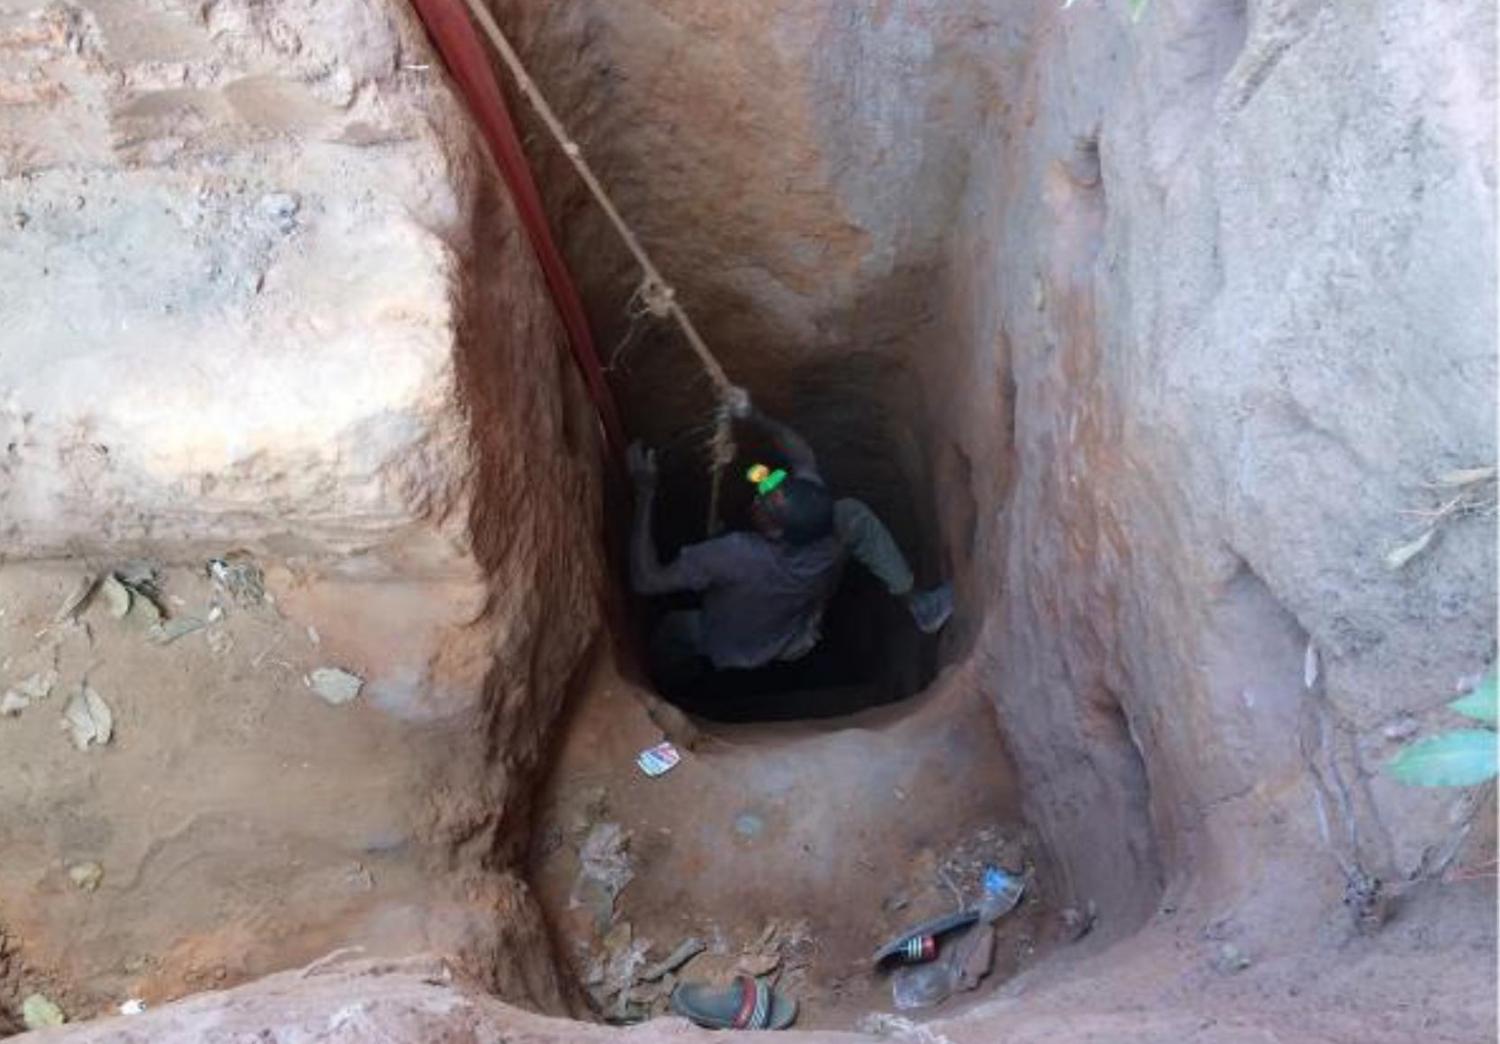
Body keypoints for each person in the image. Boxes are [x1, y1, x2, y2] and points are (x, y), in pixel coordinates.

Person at [629, 387, 952, 693]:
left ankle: (668, 692)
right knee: (854, 514)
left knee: (673, 630)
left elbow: (647, 581)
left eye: (765, 504)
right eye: (771, 490)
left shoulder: (737, 554)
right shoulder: (825, 516)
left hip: (736, 644)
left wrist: (645, 491)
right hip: (797, 632)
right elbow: (801, 456)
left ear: (775, 534)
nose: (760, 494)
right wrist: (754, 414)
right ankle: (918, 603)